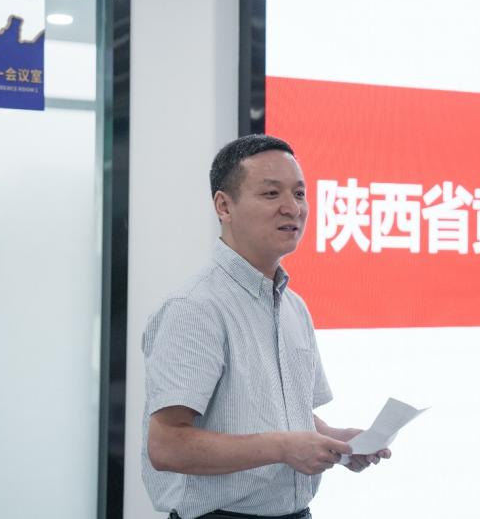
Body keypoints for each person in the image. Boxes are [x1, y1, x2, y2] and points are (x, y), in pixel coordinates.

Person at [141, 135, 390, 519]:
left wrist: (336, 441)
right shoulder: (195, 307)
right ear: (224, 205)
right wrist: (281, 448)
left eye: (299, 193)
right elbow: (167, 446)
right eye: (271, 193)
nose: (292, 207)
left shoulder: (293, 307)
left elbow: (285, 413)